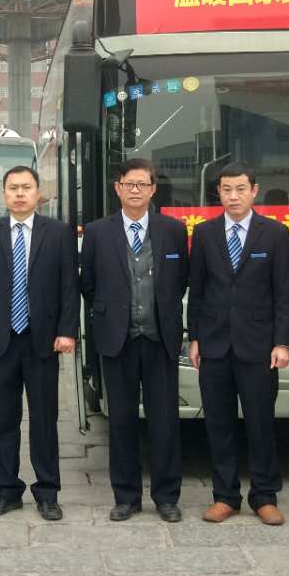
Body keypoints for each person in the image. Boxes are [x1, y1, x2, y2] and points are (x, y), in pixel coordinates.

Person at [79, 158, 189, 523]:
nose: (136, 190)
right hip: (118, 339)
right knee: (121, 421)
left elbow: (180, 280)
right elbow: (89, 283)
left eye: (143, 184)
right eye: (130, 184)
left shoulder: (173, 230)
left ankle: (166, 496)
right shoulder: (97, 232)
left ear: (153, 189)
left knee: (165, 421)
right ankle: (126, 496)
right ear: (118, 188)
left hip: (160, 338)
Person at [187, 162, 289, 525]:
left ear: (254, 191)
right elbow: (197, 290)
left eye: (240, 189)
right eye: (226, 190)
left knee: (261, 424)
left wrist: (283, 342)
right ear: (218, 193)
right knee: (219, 424)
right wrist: (195, 337)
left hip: (259, 347)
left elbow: (284, 292)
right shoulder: (205, 233)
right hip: (214, 345)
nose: (233, 196)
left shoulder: (275, 234)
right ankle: (225, 496)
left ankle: (264, 496)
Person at [0, 166, 79, 520]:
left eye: (26, 187)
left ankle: (47, 492)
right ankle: (7, 491)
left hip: (43, 341)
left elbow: (69, 286)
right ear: (4, 194)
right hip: (1, 342)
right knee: (4, 420)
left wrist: (67, 330)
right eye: (13, 188)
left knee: (45, 420)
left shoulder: (58, 233)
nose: (20, 194)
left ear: (38, 194)